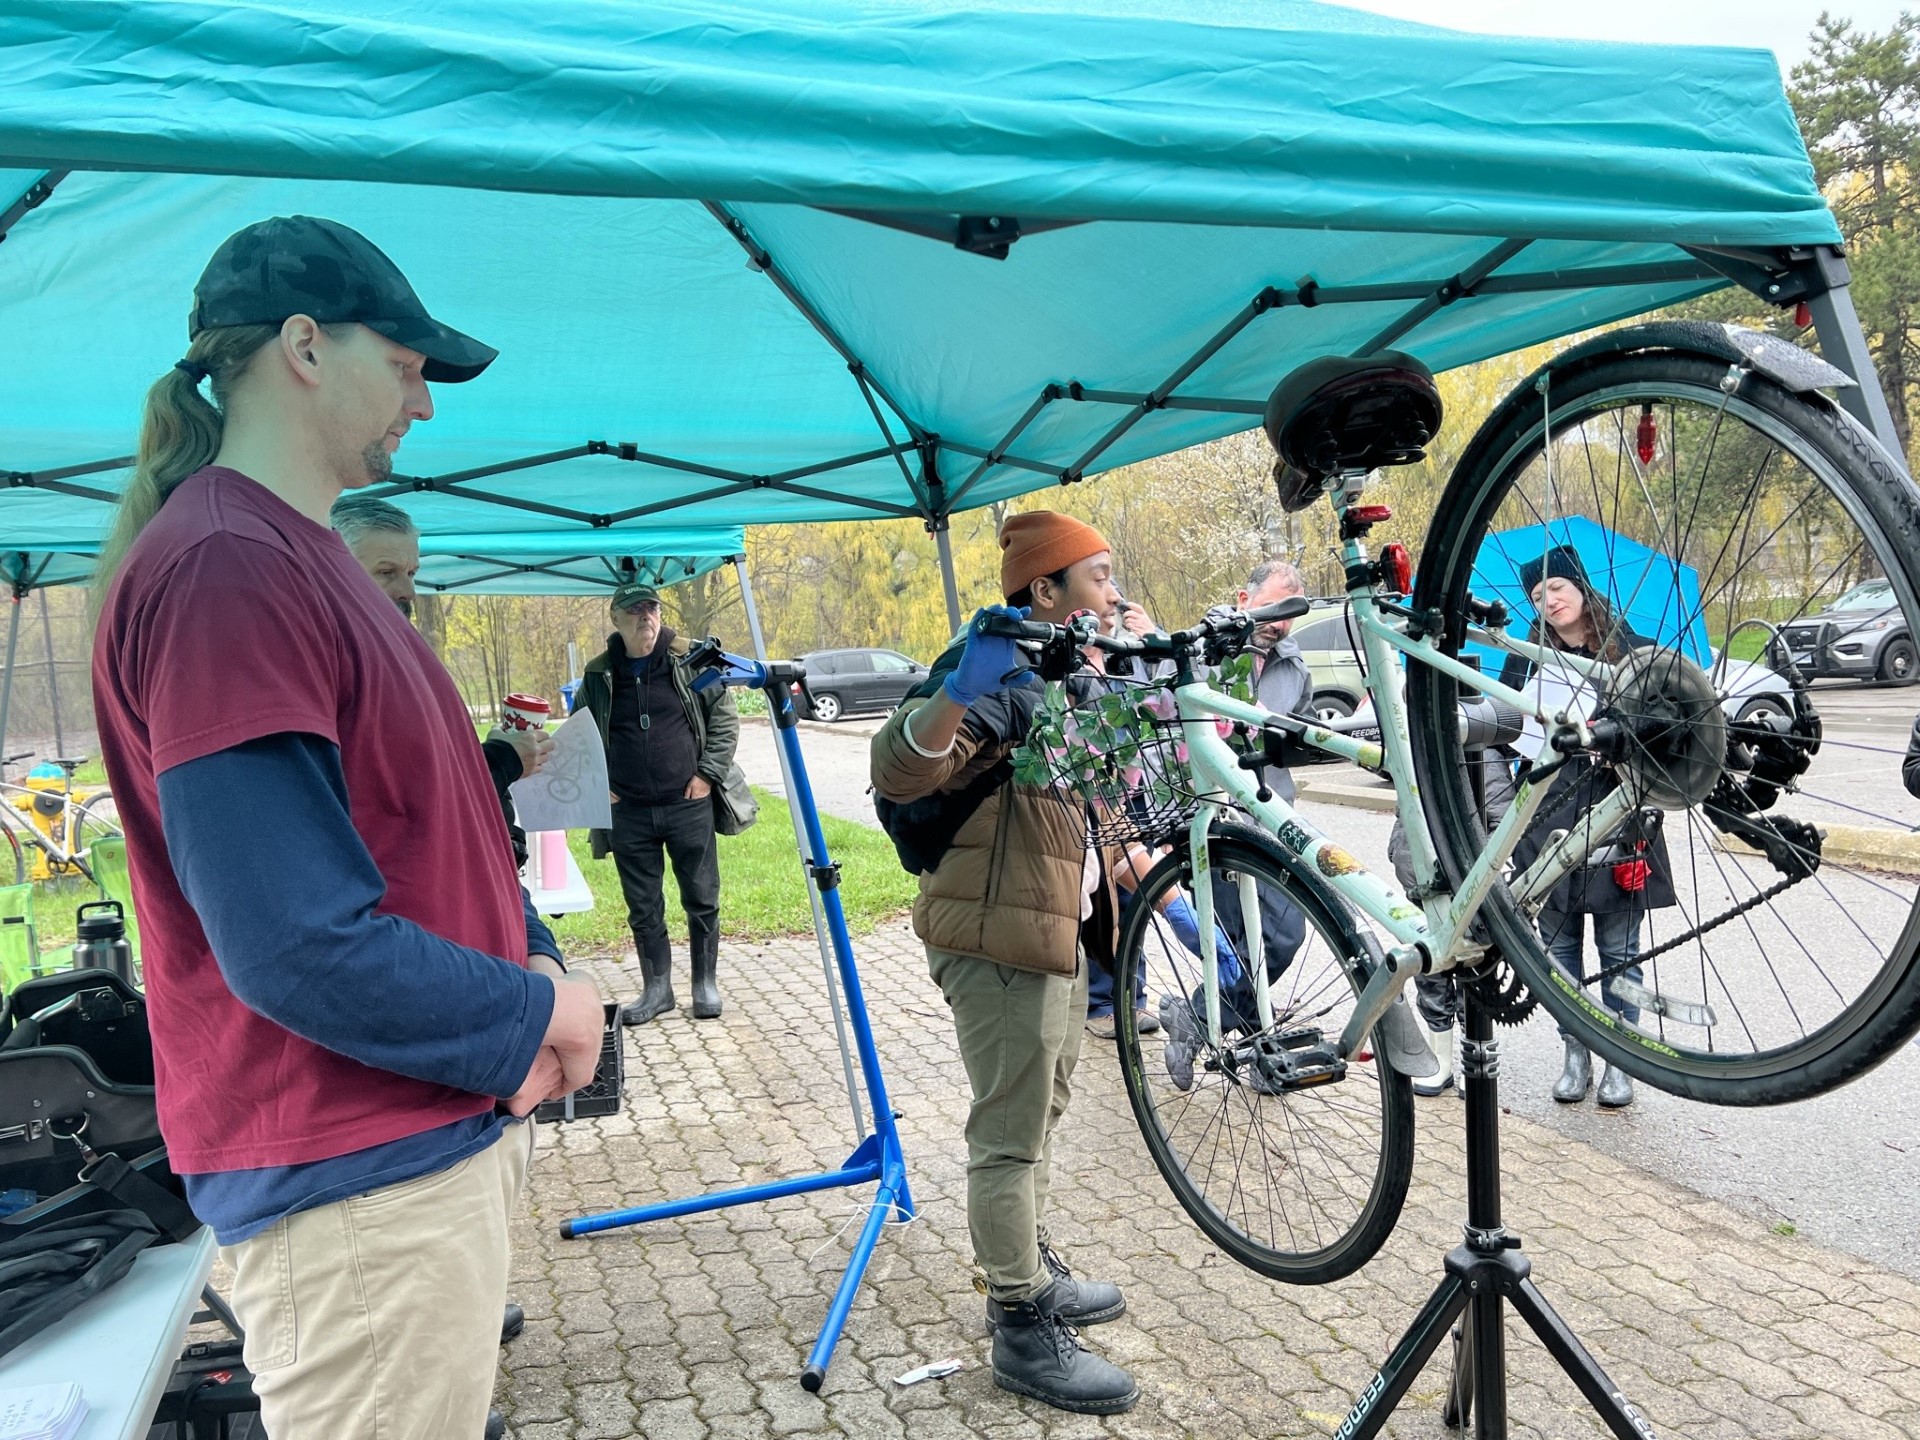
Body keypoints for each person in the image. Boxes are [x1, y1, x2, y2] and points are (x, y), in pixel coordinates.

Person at [89, 215, 606, 1440]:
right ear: (306, 346)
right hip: (353, 1176)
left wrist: (531, 951)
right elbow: (294, 942)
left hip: (405, 1145)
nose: (424, 405)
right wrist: (538, 1010)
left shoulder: (289, 554)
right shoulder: (227, 569)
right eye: (412, 364)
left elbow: (425, 833)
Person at [871, 510, 1138, 1416]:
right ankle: (1021, 1328)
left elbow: (1087, 810)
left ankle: (1022, 1266)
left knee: (1043, 1111)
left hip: (1048, 930)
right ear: (1044, 591)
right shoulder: (999, 674)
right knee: (1009, 1134)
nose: (1114, 592)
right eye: (1098, 577)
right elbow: (903, 772)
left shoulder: (1062, 677)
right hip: (994, 938)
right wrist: (956, 694)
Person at [1500, 545, 1675, 1110]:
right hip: (1546, 810)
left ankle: (1623, 1057)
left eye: (1557, 588)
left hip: (1617, 808)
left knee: (1621, 947)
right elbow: (1504, 730)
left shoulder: (1634, 652)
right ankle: (1576, 1052)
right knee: (1559, 946)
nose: (1548, 601)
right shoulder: (1525, 657)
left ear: (1580, 589)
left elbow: (1667, 725)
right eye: (1536, 595)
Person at [330, 492, 553, 867]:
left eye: (412, 573)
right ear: (332, 566)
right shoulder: (335, 660)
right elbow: (401, 795)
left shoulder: (387, 652)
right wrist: (503, 760)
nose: (408, 591)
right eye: (386, 572)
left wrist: (493, 754)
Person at [573, 582, 740, 1025]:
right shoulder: (597, 675)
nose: (645, 616)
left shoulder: (690, 659)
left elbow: (724, 717)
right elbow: (577, 736)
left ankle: (704, 984)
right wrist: (596, 780)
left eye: (651, 607)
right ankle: (657, 989)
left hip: (688, 804)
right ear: (615, 619)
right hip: (628, 810)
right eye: (634, 610)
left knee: (702, 895)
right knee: (643, 904)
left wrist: (707, 774)